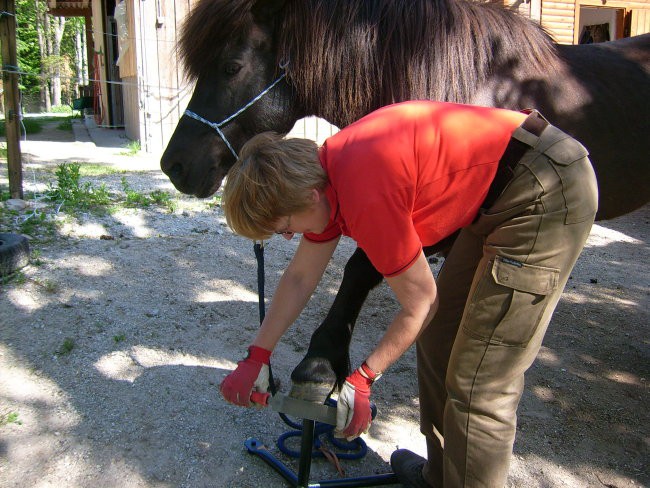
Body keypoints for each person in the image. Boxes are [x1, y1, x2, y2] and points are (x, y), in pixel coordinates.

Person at [219, 100, 598, 487]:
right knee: (438, 339)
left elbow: (421, 303)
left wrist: (364, 378)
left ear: (309, 197)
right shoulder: (323, 177)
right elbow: (300, 276)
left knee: (479, 383)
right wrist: (257, 354)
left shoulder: (364, 191)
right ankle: (441, 478)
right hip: (498, 192)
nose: (288, 236)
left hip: (543, 188)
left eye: (285, 226)